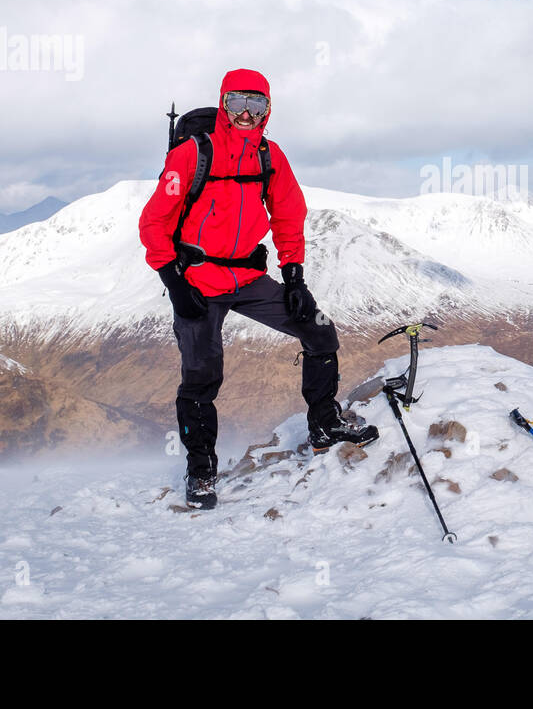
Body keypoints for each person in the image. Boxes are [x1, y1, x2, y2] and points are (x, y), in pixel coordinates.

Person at [139, 67, 377, 509]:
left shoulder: (269, 155)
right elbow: (154, 222)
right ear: (223, 104)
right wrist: (173, 282)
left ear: (268, 109)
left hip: (248, 278)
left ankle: (325, 426)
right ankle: (201, 471)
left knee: (320, 331)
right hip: (197, 282)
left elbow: (289, 214)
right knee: (201, 378)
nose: (246, 113)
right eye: (237, 103)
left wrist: (294, 277)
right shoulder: (192, 154)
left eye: (257, 104)